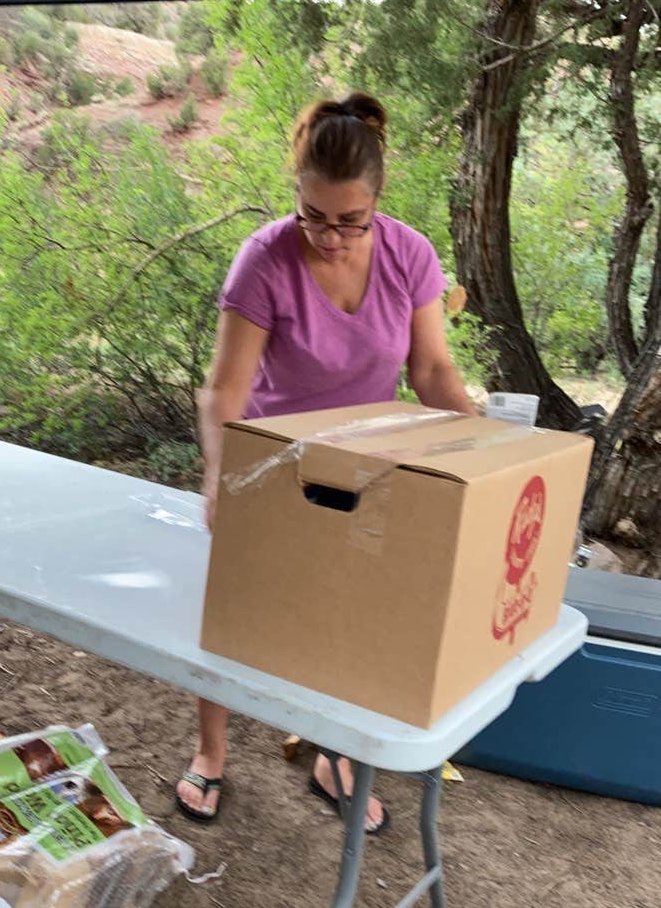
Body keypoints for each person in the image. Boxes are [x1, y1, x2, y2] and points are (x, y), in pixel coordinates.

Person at [176, 92, 475, 831]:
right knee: (237, 611)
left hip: (368, 468)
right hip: (271, 463)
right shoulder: (265, 259)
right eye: (313, 216)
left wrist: (485, 451)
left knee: (349, 616)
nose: (330, 236)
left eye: (350, 220)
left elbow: (432, 371)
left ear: (378, 199)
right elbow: (225, 389)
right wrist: (220, 478)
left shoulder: (410, 255)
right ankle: (211, 752)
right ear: (296, 191)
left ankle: (331, 757)